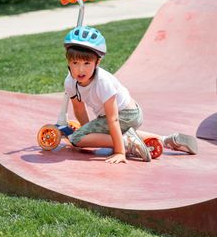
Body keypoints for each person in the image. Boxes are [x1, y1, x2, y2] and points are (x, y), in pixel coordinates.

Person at [63, 25, 198, 164]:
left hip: (126, 114)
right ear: (68, 62)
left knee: (75, 139)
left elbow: (113, 118)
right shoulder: (70, 82)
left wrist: (119, 151)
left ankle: (127, 142)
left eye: (87, 63)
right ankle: (167, 140)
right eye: (75, 63)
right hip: (120, 116)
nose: (80, 69)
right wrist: (89, 134)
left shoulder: (103, 82)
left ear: (97, 62)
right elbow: (79, 109)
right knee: (84, 135)